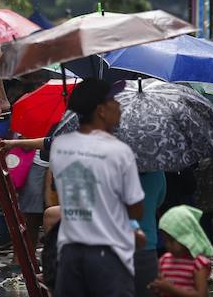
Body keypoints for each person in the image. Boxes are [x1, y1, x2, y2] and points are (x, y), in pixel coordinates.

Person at [49, 79, 146, 297]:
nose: (119, 105)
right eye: (113, 100)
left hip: (69, 256)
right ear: (101, 110)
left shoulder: (59, 145)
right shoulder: (119, 152)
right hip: (109, 255)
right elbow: (137, 208)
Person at [148, 205, 213, 297]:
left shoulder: (198, 264)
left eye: (171, 240)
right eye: (165, 240)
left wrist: (170, 288)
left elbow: (201, 295)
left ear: (186, 238)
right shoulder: (164, 260)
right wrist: (158, 288)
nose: (167, 245)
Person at [135, 172, 166, 297]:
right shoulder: (157, 172)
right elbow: (159, 200)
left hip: (113, 246)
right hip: (147, 247)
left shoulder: (112, 167)